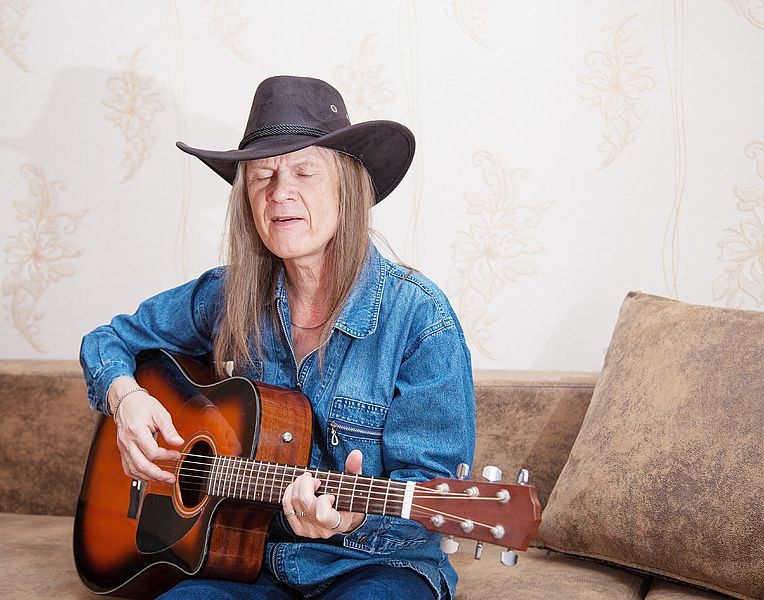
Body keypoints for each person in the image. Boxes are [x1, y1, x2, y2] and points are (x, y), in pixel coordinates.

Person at [79, 76, 476, 600]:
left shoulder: (421, 320)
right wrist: (125, 399)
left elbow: (428, 497)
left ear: (347, 187)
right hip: (249, 565)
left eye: (304, 172)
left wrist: (349, 521)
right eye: (262, 174)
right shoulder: (226, 295)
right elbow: (107, 340)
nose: (279, 192)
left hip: (379, 569)